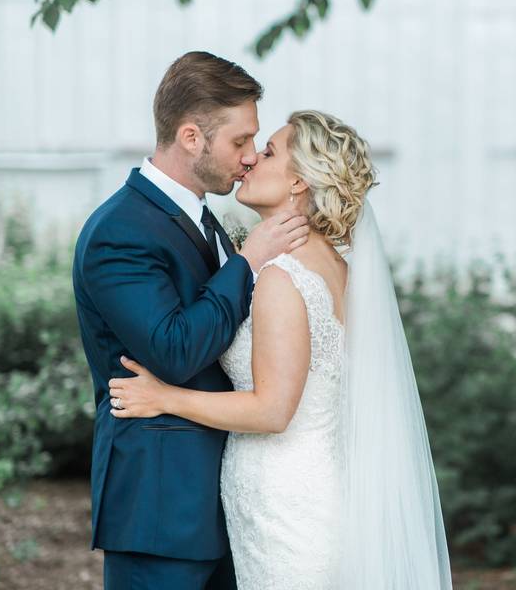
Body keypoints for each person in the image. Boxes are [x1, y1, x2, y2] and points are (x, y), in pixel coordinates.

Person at [108, 110, 453, 588]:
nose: (250, 160)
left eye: (268, 151)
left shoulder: (282, 277)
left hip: (286, 506)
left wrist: (164, 397)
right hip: (312, 488)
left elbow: (272, 410)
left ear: (298, 182)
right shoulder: (337, 268)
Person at [72, 51, 309, 590]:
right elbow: (173, 351)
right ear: (191, 137)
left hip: (232, 505)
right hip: (159, 511)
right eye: (239, 141)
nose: (250, 157)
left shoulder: (206, 220)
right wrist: (249, 263)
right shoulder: (120, 232)